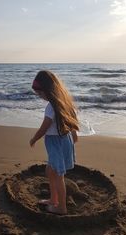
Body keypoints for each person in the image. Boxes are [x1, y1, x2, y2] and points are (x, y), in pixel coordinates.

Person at [29, 70, 79, 215]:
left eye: (40, 94)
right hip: (65, 140)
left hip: (55, 143)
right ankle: (53, 199)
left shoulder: (51, 107)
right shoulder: (64, 102)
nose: (40, 97)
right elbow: (72, 120)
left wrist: (34, 139)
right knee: (50, 172)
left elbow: (44, 127)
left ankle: (61, 208)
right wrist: (74, 135)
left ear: (47, 90)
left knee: (57, 175)